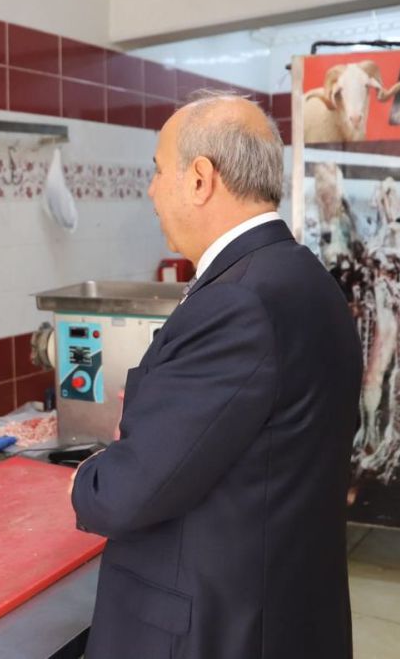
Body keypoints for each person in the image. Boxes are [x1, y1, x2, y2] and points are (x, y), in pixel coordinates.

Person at [69, 94, 362, 658]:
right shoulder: (307, 279)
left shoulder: (237, 303)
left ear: (200, 179)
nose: (152, 190)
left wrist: (87, 478)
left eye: (157, 171)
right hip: (286, 606)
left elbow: (132, 491)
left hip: (219, 626)